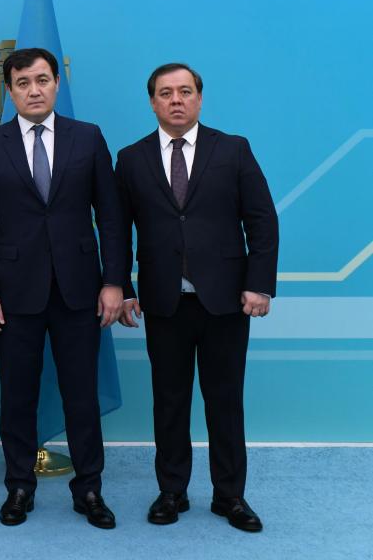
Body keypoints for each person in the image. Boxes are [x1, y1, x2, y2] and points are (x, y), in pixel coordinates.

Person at [0, 47, 127, 529]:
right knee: (18, 397)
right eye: (22, 83)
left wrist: (114, 282)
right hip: (14, 293)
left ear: (57, 83)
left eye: (42, 80)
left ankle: (89, 488)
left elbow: (111, 218)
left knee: (82, 395)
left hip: (80, 290)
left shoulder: (88, 137)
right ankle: (19, 486)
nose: (33, 90)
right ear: (10, 90)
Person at [116, 62, 278, 532]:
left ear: (200, 98)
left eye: (185, 91)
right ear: (152, 102)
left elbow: (262, 219)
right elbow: (117, 230)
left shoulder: (233, 149)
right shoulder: (131, 158)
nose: (177, 100)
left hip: (226, 302)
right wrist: (123, 287)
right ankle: (172, 491)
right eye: (166, 93)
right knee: (169, 402)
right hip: (164, 303)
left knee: (225, 402)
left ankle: (230, 496)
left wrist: (259, 283)